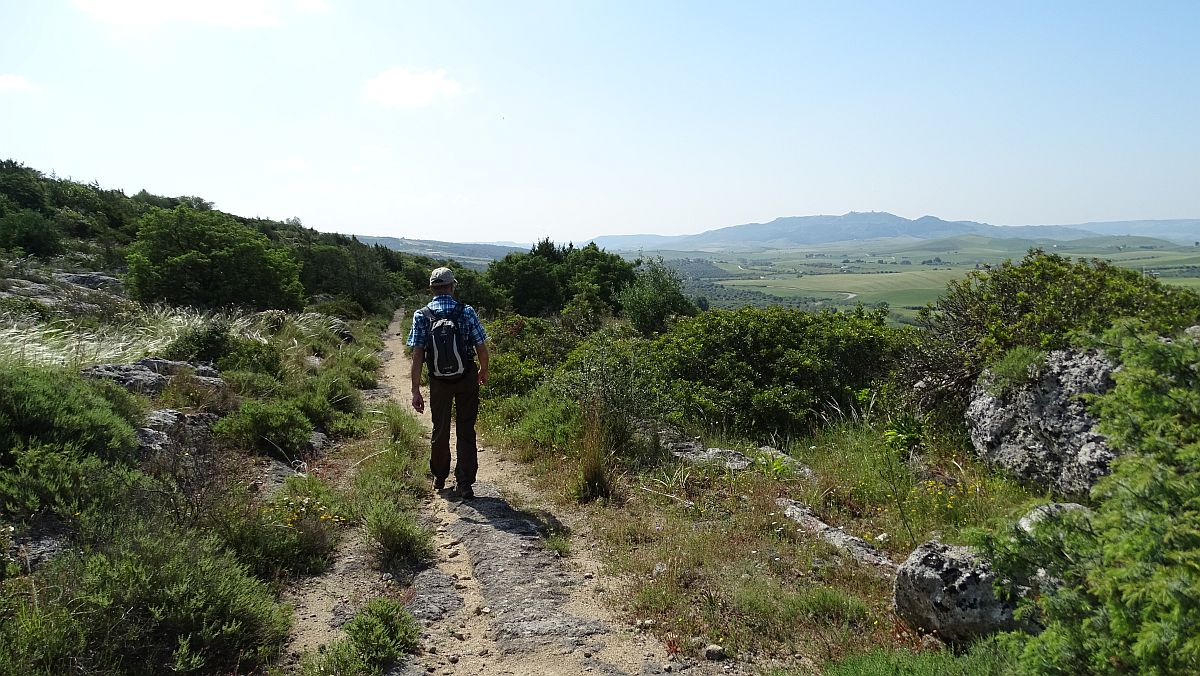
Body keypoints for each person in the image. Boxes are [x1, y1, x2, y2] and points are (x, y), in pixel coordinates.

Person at [408, 267, 489, 499]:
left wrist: (415, 390)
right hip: (466, 377)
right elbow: (481, 347)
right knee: (465, 428)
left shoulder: (421, 315)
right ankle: (464, 483)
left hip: (438, 380)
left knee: (440, 428)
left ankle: (440, 477)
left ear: (432, 288)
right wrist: (483, 370)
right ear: (452, 286)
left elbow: (417, 355)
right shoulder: (466, 311)